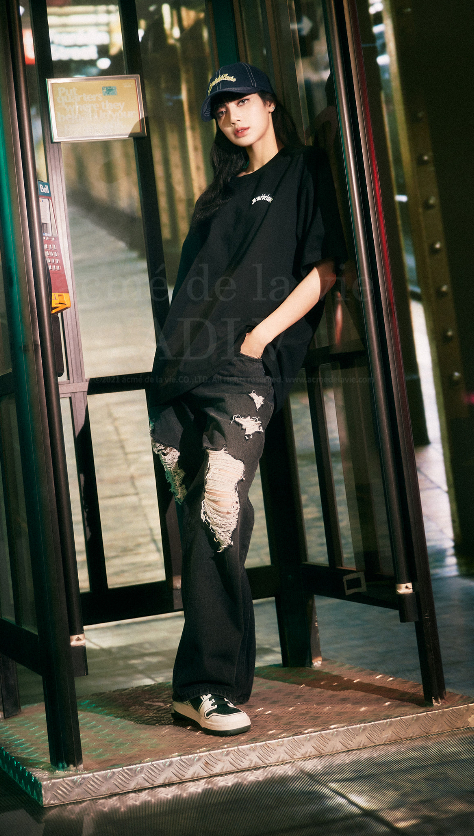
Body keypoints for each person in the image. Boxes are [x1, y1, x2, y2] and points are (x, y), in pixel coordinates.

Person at [148, 62, 348, 736]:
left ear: (268, 104)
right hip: (180, 372)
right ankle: (201, 686)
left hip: (241, 370)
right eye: (222, 108)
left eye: (243, 102)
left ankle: (208, 685)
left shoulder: (304, 171)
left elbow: (326, 268)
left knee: (219, 508)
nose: (233, 115)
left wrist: (261, 336)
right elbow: (191, 283)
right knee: (205, 527)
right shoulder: (218, 195)